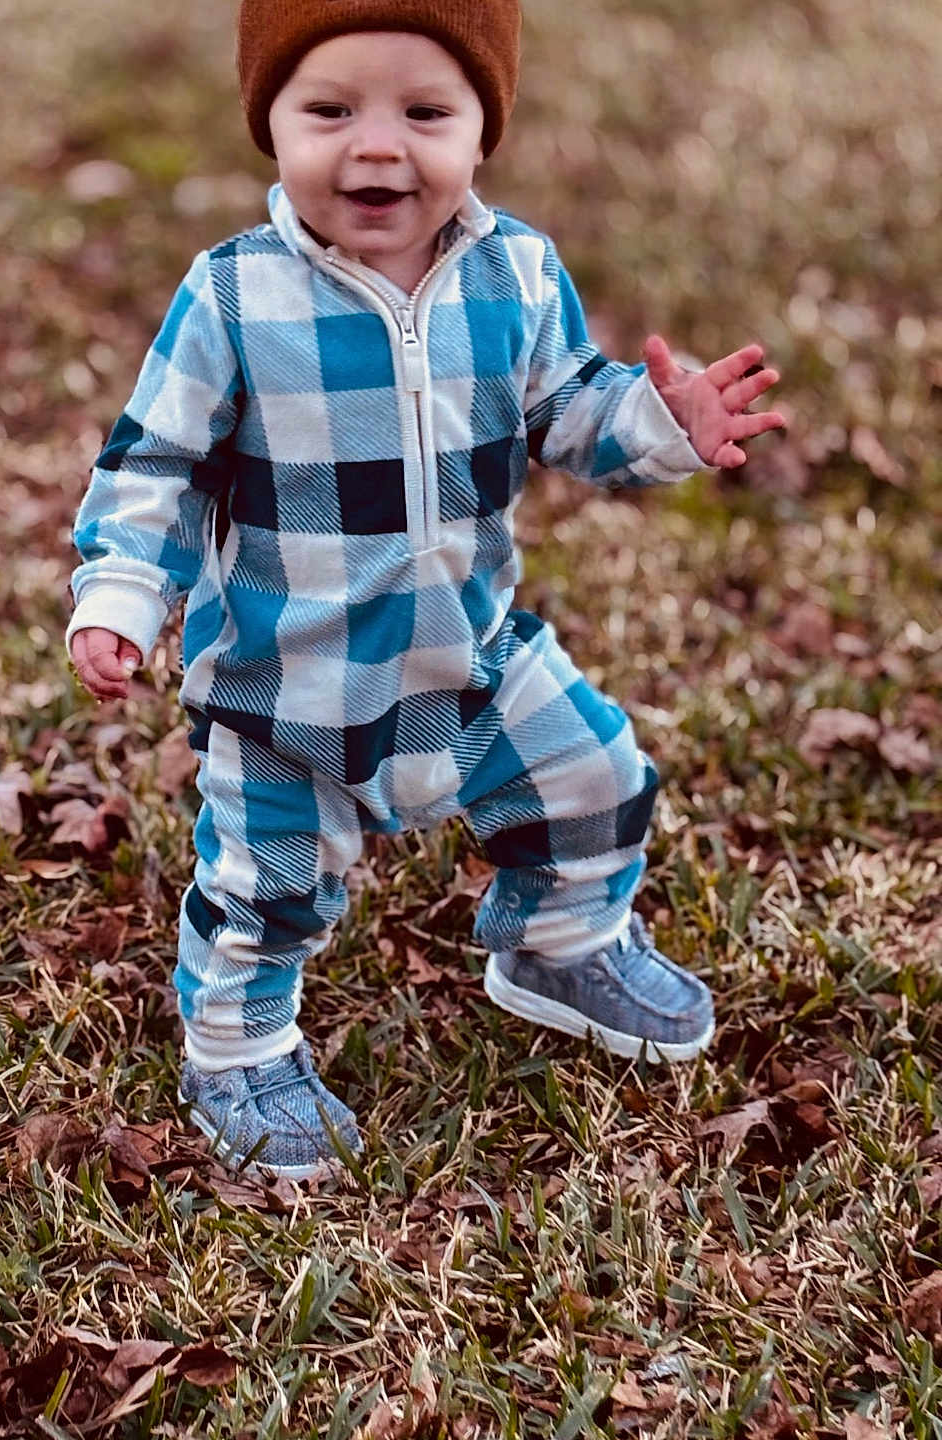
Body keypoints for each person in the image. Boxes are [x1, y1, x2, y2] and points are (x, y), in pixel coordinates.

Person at [66, 0, 784, 1181]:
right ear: (271, 125)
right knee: (267, 885)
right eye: (330, 110)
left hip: (472, 653)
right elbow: (159, 462)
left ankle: (558, 944)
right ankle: (238, 1046)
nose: (378, 146)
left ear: (483, 132)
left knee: (594, 779)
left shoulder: (517, 273)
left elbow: (568, 411)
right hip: (291, 682)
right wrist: (122, 596)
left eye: (427, 111)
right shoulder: (236, 296)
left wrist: (661, 420)